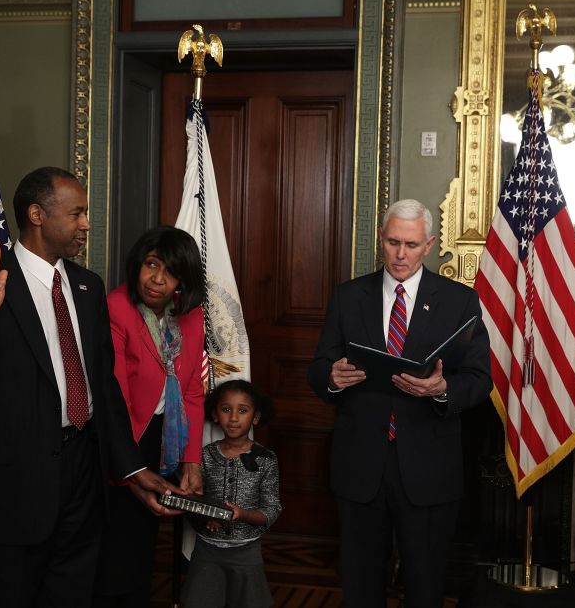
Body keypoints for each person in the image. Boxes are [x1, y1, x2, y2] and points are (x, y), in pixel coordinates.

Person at [0, 167, 180, 608]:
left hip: (83, 475)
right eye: (77, 213)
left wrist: (130, 468)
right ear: (37, 214)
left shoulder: (87, 286)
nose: (86, 224)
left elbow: (103, 389)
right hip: (12, 491)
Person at [307, 198, 491, 608]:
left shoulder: (460, 302)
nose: (401, 254)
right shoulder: (348, 296)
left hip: (428, 467)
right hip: (360, 465)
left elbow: (480, 381)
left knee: (425, 588)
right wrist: (331, 378)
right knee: (360, 586)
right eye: (393, 243)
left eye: (411, 244)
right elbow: (319, 367)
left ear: (429, 244)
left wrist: (441, 390)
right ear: (381, 240)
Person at [94, 226, 207, 607]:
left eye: (170, 271)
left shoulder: (191, 317)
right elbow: (116, 397)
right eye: (151, 264)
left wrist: (190, 458)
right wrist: (130, 471)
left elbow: (192, 390)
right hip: (123, 437)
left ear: (182, 280)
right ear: (138, 264)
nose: (157, 279)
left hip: (166, 437)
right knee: (118, 546)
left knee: (143, 544)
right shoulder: (116, 308)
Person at [181, 379, 281, 608]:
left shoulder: (266, 460)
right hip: (207, 550)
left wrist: (242, 514)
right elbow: (190, 501)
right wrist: (207, 515)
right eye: (226, 410)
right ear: (215, 415)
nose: (234, 418)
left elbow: (272, 508)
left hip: (247, 552)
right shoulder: (203, 457)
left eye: (242, 411)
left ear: (255, 417)